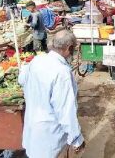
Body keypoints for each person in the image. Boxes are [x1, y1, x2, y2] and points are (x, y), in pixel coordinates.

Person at [18, 30, 86, 158]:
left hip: (33, 128)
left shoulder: (37, 60)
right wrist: (77, 139)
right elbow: (65, 111)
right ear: (69, 48)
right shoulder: (62, 72)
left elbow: (21, 79)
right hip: (50, 134)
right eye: (74, 49)